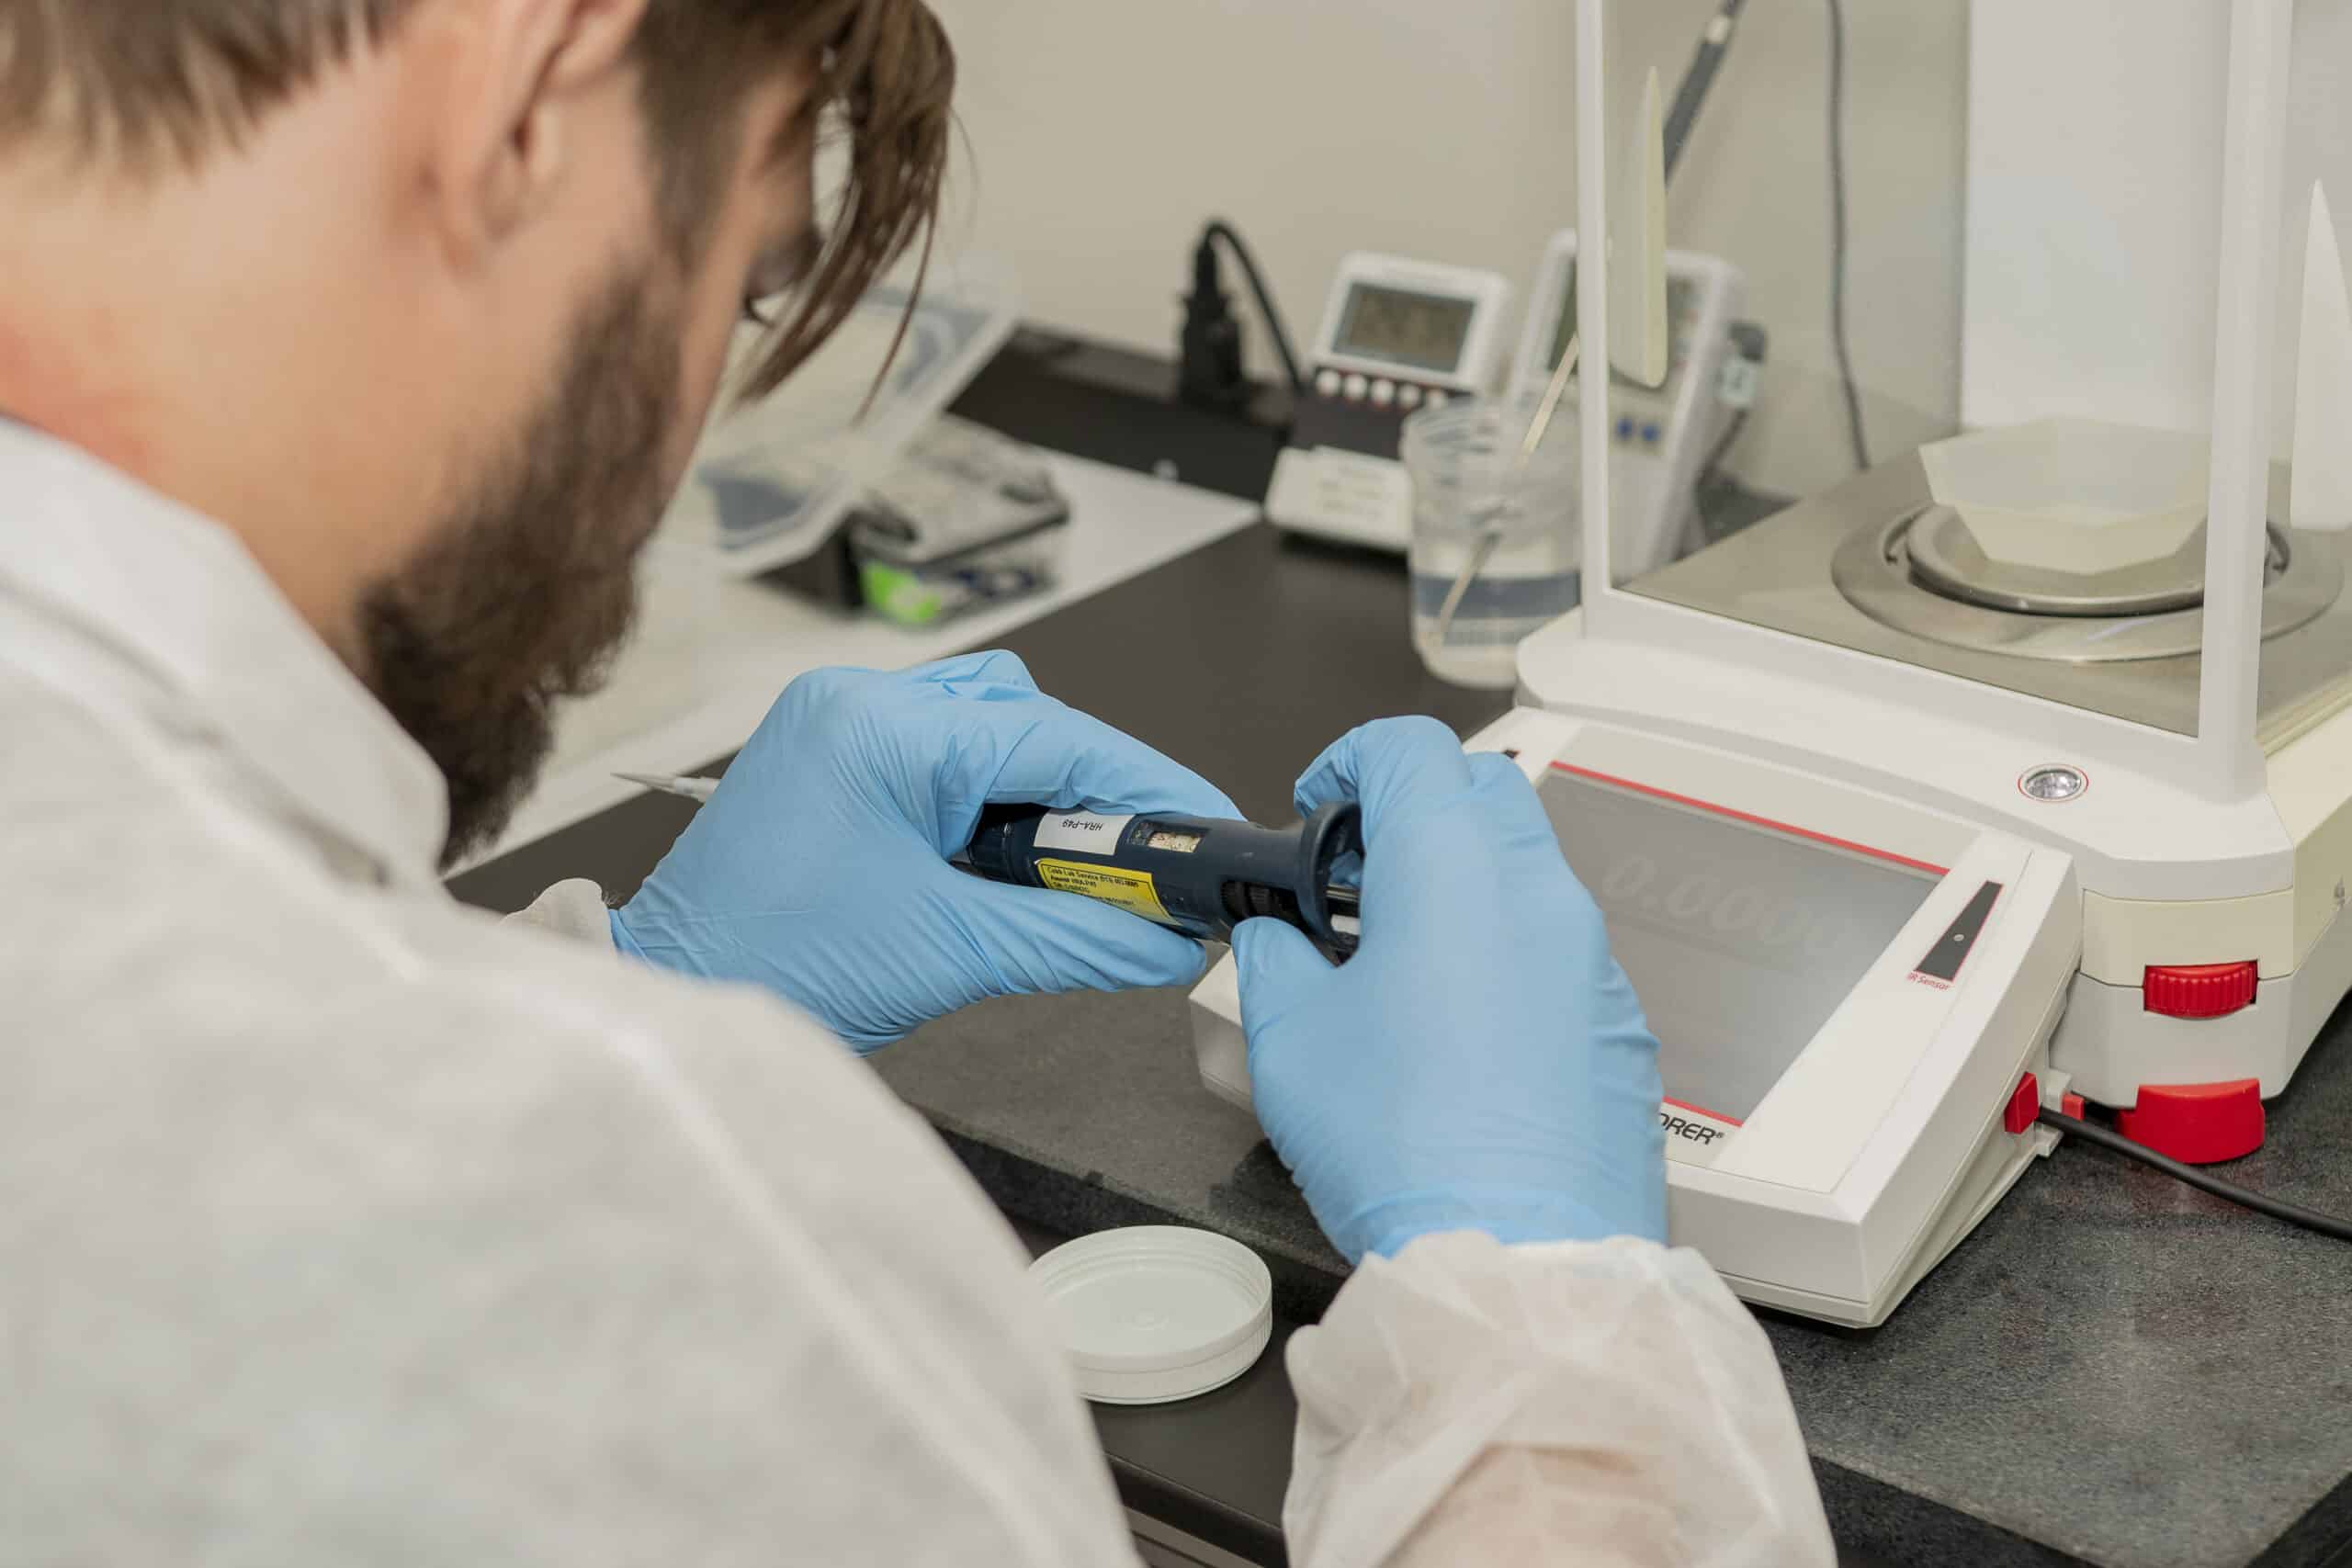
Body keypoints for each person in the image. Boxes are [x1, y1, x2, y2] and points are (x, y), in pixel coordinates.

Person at [0, 1, 1833, 1562]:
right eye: (731, 290)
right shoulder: (629, 1227)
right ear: (525, 65)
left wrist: (652, 979)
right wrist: (1544, 1335)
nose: (654, 482)